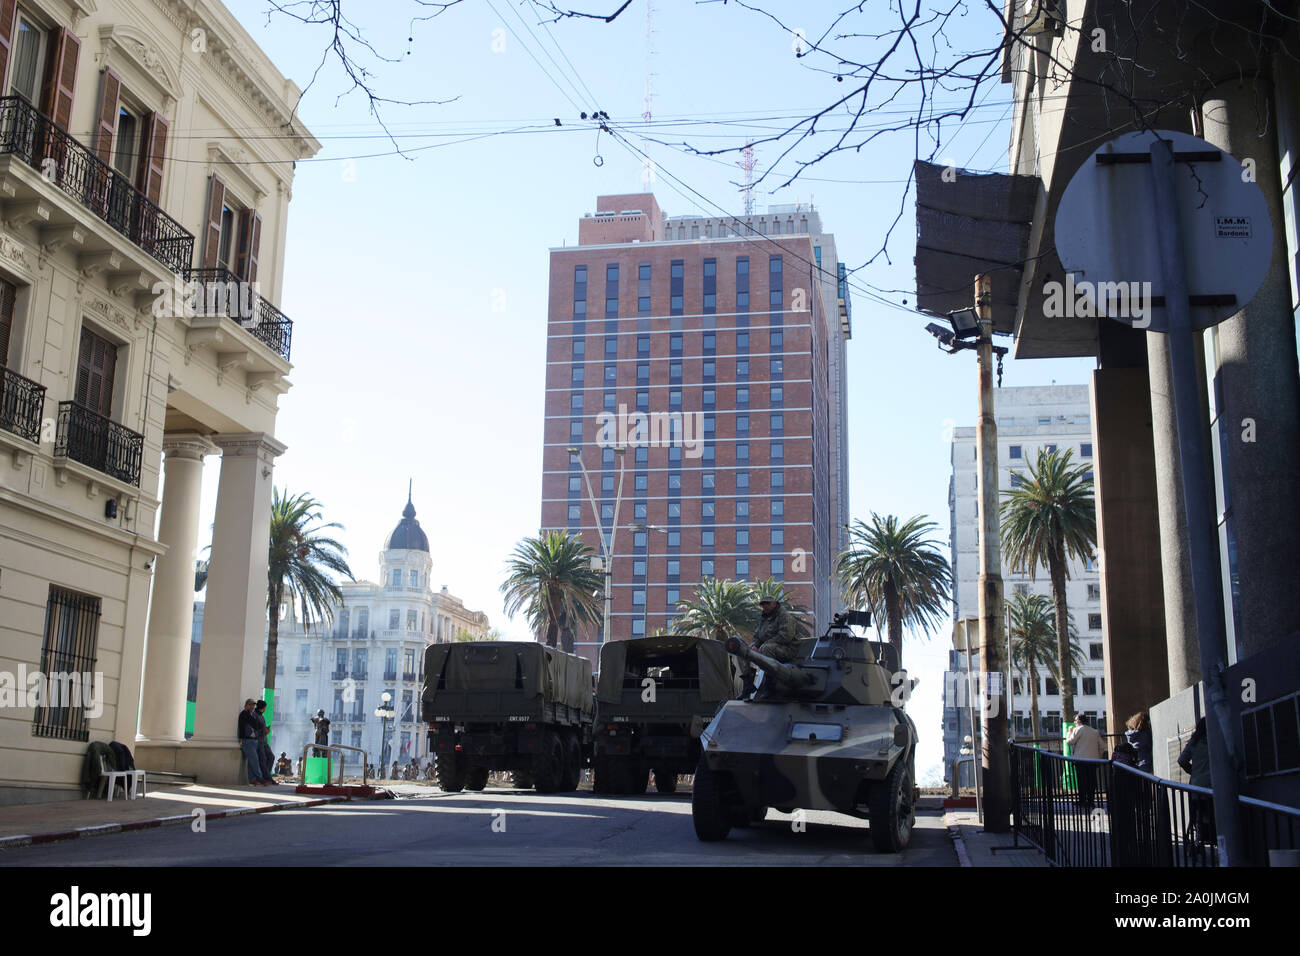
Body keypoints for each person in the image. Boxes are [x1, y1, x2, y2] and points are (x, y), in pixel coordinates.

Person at [1178, 717, 1215, 847]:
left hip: (1197, 785)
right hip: (1215, 785)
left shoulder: (1194, 743)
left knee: (1199, 813)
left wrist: (1193, 772)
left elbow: (1181, 760)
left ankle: (1200, 838)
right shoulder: (1216, 740)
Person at [1067, 712, 1102, 809]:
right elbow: (1102, 746)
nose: (1074, 723)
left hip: (1081, 760)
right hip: (1093, 761)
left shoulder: (1078, 729)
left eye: (1075, 721)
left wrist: (1069, 732)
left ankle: (1082, 800)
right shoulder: (1094, 731)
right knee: (1091, 781)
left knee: (1081, 781)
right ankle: (1091, 801)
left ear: (1078, 721)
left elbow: (1070, 741)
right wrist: (1098, 756)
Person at [751, 597, 801, 663]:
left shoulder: (785, 617)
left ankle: (769, 673)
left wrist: (765, 644)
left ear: (774, 604)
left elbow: (785, 636)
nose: (765, 605)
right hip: (772, 646)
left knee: (767, 648)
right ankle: (748, 672)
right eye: (763, 604)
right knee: (747, 650)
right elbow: (758, 635)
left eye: (767, 603)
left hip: (788, 649)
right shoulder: (765, 618)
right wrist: (755, 646)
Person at [238, 699, 271, 786]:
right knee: (254, 760)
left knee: (251, 762)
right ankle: (259, 778)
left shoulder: (251, 714)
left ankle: (252, 779)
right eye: (251, 705)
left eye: (253, 705)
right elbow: (256, 724)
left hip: (252, 740)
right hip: (247, 740)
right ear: (247, 705)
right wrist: (262, 728)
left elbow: (256, 724)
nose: (253, 707)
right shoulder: (245, 714)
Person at [254, 700, 276, 782]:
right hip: (259, 741)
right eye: (265, 707)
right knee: (262, 759)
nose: (265, 709)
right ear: (262, 708)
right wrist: (264, 731)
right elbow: (255, 729)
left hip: (264, 741)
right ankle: (267, 778)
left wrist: (265, 730)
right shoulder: (255, 716)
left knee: (271, 757)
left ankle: (266, 775)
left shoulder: (261, 716)